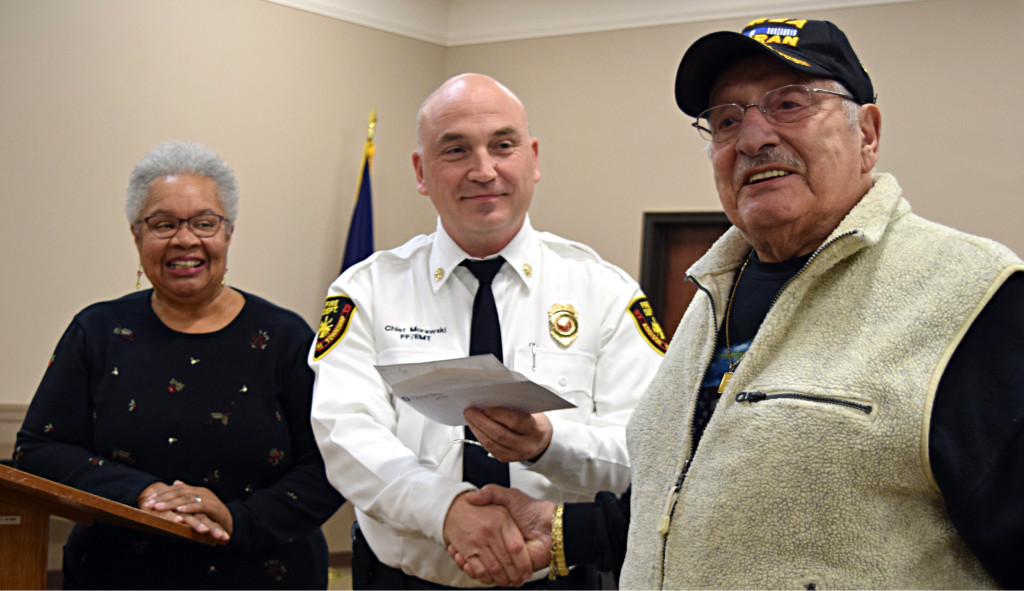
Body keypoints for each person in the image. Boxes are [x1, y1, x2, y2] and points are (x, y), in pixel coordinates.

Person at [450, 17, 1024, 589]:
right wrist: (566, 533)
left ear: (867, 134)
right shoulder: (709, 300)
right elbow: (688, 503)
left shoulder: (974, 300)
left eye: (790, 104)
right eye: (727, 120)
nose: (753, 139)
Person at [308, 73, 665, 589]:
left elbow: (649, 450)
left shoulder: (605, 292)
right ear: (421, 171)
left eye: (503, 145)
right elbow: (347, 435)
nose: (483, 170)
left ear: (533, 158)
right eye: (455, 150)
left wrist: (549, 443)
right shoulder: (366, 291)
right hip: (404, 580)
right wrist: (448, 510)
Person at [13, 140, 344, 589]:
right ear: (137, 236)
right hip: (116, 575)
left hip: (264, 573)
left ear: (228, 234)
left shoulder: (285, 338)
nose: (185, 239)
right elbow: (38, 449)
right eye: (163, 224)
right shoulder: (97, 331)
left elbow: (326, 465)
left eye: (204, 223)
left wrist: (234, 517)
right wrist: (144, 494)